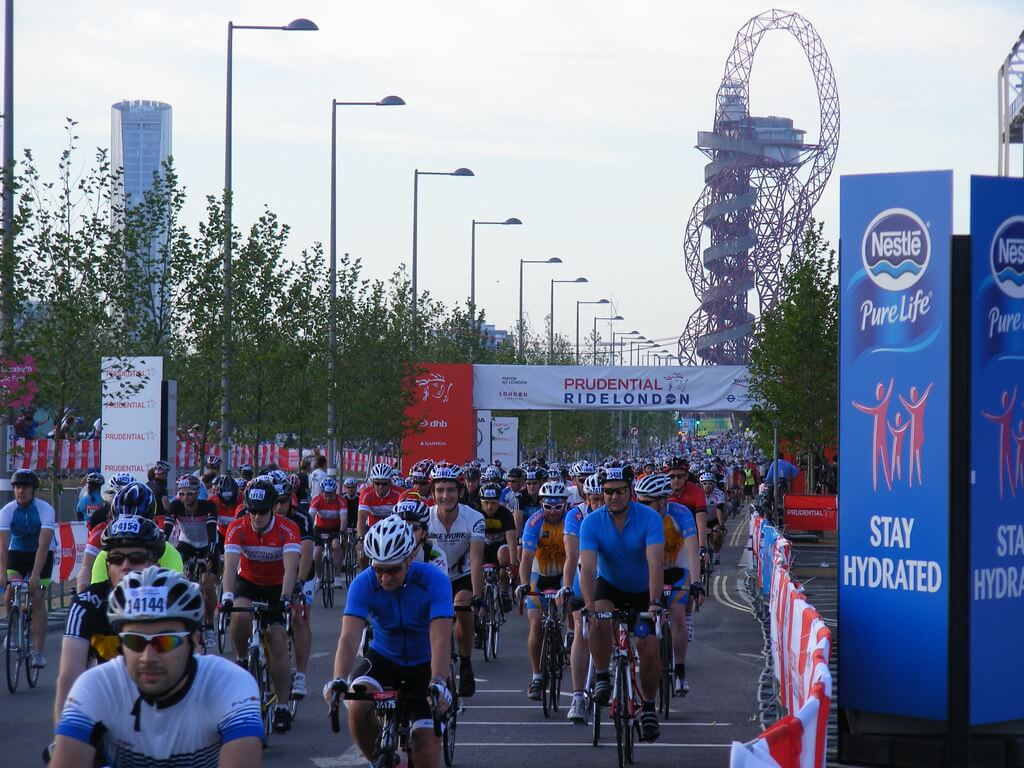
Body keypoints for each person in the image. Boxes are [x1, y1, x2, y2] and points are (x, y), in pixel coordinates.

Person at [51, 567, 264, 767]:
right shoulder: (95, 686)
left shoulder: (229, 684)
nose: (148, 656)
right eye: (134, 641)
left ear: (194, 640)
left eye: (165, 642)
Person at [323, 517, 453, 768]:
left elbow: (440, 639)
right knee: (357, 704)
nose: (384, 578)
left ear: (409, 559)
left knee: (426, 755)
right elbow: (349, 639)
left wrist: (438, 681)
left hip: (424, 662)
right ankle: (377, 761)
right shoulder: (363, 583)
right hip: (383, 657)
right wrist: (339, 678)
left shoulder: (434, 581)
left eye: (393, 569)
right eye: (379, 568)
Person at [579, 462, 665, 743]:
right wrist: (589, 605)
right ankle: (603, 676)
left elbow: (655, 565)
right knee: (599, 617)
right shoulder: (591, 522)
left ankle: (649, 707)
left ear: (631, 492)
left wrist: (654, 604)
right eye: (608, 492)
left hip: (643, 591)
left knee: (648, 646)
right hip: (610, 587)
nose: (614, 497)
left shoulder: (650, 519)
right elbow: (588, 569)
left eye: (620, 491)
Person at [53, 516, 164, 727]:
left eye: (137, 558)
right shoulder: (87, 605)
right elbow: (69, 676)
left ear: (155, 565)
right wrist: (63, 736)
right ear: (106, 564)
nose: (125, 566)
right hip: (106, 708)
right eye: (116, 559)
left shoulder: (175, 602)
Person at [221, 477, 301, 734]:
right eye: (252, 511)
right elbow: (231, 566)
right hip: (250, 581)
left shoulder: (288, 529)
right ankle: (244, 659)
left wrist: (287, 597)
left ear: (272, 508)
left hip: (277, 586)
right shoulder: (237, 527)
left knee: (277, 638)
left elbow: (291, 568)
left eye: (262, 512)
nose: (256, 517)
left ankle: (282, 707)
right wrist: (226, 596)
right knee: (239, 617)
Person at [633, 473, 704, 696]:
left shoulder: (681, 514)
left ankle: (680, 671)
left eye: (646, 502)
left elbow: (693, 550)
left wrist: (696, 581)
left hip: (676, 570)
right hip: (647, 571)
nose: (640, 505)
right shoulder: (637, 516)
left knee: (678, 616)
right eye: (639, 500)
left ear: (663, 501)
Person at [518, 480, 581, 701]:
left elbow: (577, 557)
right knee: (536, 624)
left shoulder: (572, 521)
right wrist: (524, 584)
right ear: (541, 505)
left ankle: (570, 633)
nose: (553, 512)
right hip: (540, 575)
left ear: (566, 505)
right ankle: (536, 676)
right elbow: (526, 558)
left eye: (558, 507)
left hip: (565, 574)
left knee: (575, 607)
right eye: (548, 506)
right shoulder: (534, 522)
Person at [427, 461, 485, 698]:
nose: (445, 495)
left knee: (463, 606)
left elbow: (476, 561)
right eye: (439, 490)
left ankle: (466, 663)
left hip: (461, 575)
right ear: (433, 493)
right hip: (433, 577)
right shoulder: (425, 518)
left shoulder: (474, 517)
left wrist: (478, 597)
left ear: (460, 492)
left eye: (450, 490)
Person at [0, 469, 56, 669]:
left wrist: (34, 575)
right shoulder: (6, 511)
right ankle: (13, 631)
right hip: (18, 552)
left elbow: (43, 544)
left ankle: (38, 651)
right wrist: (2, 573)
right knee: (8, 591)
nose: (21, 491)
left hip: (42, 554)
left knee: (37, 596)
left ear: (33, 490)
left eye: (25, 487)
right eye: (17, 487)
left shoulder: (45, 509)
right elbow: (3, 545)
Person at [562, 471, 605, 724]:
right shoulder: (575, 515)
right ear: (585, 497)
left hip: (612, 577)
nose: (599, 504)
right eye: (594, 499)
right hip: (583, 573)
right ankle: (577, 697)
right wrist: (567, 586)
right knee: (581, 629)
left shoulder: (619, 514)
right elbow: (571, 555)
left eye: (603, 498)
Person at [478, 482, 517, 612]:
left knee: (504, 554)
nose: (489, 507)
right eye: (486, 503)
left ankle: (504, 592)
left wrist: (512, 565)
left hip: (500, 548)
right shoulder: (476, 513)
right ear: (481, 502)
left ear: (499, 501)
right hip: (482, 548)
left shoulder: (505, 514)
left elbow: (512, 541)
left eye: (494, 503)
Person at [357, 463, 402, 567]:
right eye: (377, 483)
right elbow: (362, 518)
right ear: (372, 482)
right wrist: (360, 538)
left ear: (390, 482)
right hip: (372, 527)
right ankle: (365, 575)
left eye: (384, 483)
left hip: (393, 528)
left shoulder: (399, 493)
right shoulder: (366, 493)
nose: (380, 487)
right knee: (361, 551)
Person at [396, 494, 448, 573]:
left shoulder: (436, 555)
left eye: (414, 528)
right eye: (401, 527)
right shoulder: (385, 551)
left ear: (424, 533)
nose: (408, 533)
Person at [312, 476, 346, 588]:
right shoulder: (317, 499)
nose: (328, 498)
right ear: (322, 492)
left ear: (335, 493)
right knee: (317, 552)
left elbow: (344, 518)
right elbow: (310, 516)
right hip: (320, 528)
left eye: (330, 495)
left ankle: (336, 577)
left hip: (335, 529)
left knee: (336, 546)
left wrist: (341, 531)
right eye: (325, 495)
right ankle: (319, 577)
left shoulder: (340, 500)